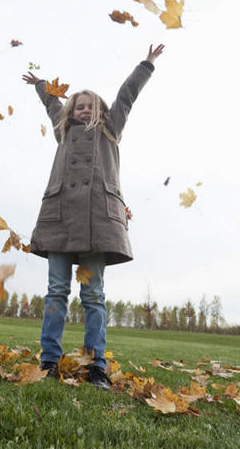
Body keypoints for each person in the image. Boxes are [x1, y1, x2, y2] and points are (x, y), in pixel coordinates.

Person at [21, 44, 165, 389]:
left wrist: (146, 64)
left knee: (93, 296)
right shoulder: (62, 130)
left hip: (97, 222)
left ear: (100, 110)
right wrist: (42, 84)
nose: (85, 110)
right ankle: (49, 363)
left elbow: (126, 95)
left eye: (91, 106)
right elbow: (52, 103)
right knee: (56, 290)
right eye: (79, 106)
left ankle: (95, 366)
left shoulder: (111, 128)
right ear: (71, 111)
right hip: (60, 218)